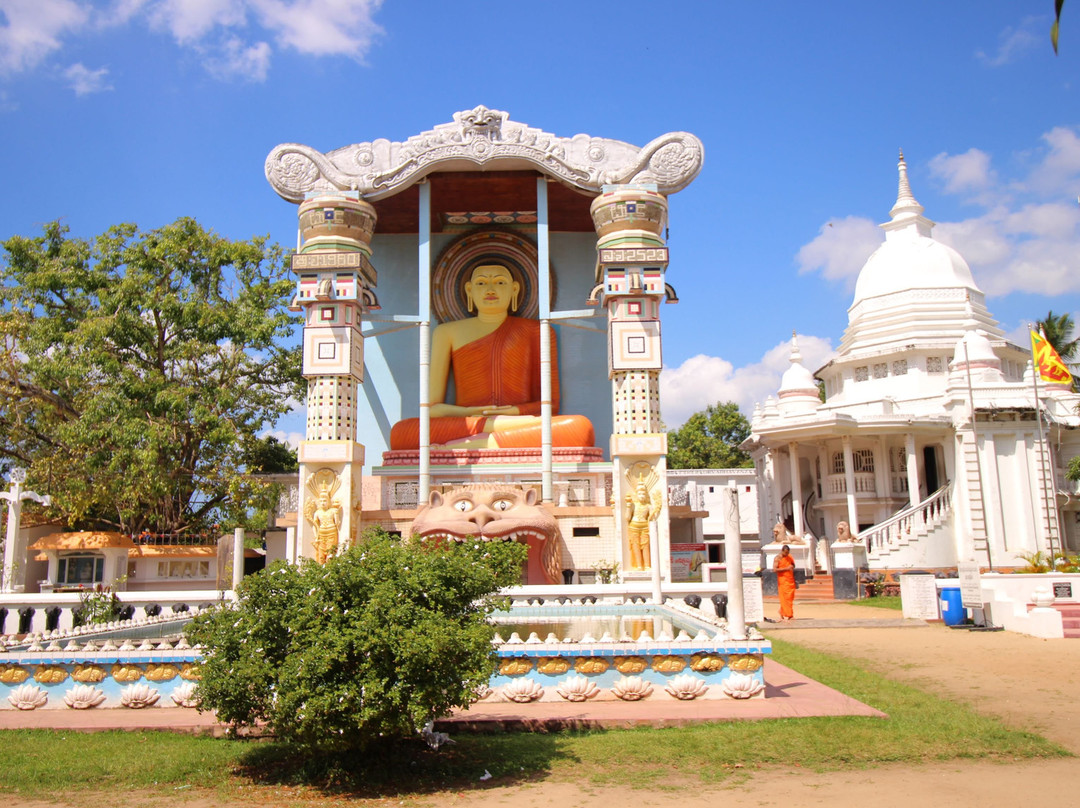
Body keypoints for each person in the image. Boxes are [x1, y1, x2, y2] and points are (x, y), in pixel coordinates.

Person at [390, 264, 594, 449]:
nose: (490, 289)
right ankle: (493, 439)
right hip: (471, 423)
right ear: (469, 290)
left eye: (500, 282)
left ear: (514, 289)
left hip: (519, 421)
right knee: (402, 432)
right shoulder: (446, 332)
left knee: (579, 427)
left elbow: (550, 406)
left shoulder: (538, 331)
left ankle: (474, 444)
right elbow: (431, 409)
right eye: (481, 283)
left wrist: (511, 412)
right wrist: (472, 414)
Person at [774, 543, 796, 621]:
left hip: (790, 580)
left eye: (788, 553)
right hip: (782, 580)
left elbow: (793, 565)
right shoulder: (778, 558)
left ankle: (785, 613)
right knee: (784, 598)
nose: (786, 554)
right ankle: (788, 615)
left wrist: (792, 567)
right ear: (782, 551)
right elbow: (775, 569)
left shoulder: (789, 557)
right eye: (785, 552)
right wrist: (786, 568)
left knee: (790, 598)